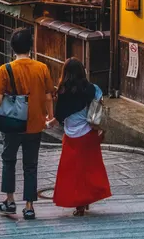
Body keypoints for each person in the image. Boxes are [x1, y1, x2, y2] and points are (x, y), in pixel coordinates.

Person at [0, 27, 54, 221]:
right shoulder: (41, 68)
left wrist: (3, 116)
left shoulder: (5, 69)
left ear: (12, 48)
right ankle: (29, 206)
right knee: (31, 165)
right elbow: (48, 96)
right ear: (30, 46)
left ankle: (10, 201)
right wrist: (49, 117)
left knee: (9, 161)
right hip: (35, 124)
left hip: (13, 125)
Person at [48, 57, 111, 216]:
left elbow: (60, 116)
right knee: (90, 169)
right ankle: (87, 199)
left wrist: (47, 123)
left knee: (72, 172)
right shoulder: (93, 89)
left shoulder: (63, 91)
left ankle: (80, 205)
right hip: (89, 133)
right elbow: (99, 106)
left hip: (71, 136)